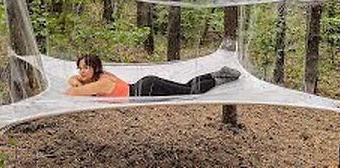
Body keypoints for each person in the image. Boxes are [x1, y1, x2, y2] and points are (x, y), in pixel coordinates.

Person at [65, 54, 241, 97]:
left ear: (95, 69)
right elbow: (75, 80)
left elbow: (71, 93)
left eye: (86, 67)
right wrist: (75, 80)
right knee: (186, 86)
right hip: (145, 85)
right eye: (80, 68)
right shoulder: (102, 76)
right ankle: (216, 73)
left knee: (191, 92)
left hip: (145, 90)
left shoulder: (100, 84)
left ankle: (218, 79)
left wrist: (76, 85)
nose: (82, 71)